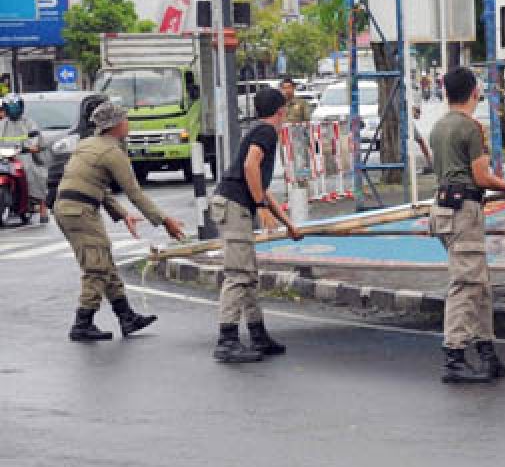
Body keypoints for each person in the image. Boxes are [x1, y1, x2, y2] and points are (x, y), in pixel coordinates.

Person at [429, 66, 505, 383]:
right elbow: (481, 177)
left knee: (479, 282)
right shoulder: (471, 128)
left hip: (443, 209)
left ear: (446, 93)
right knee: (466, 283)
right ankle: (454, 355)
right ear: (475, 92)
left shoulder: (439, 127)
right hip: (464, 211)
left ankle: (486, 350)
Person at [54, 102, 187, 341]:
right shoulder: (112, 152)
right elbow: (136, 193)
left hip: (68, 208)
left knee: (104, 262)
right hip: (81, 211)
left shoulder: (87, 145)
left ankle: (126, 316)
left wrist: (122, 214)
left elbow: (97, 188)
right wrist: (165, 221)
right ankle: (82, 322)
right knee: (96, 267)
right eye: (125, 119)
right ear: (115, 125)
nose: (129, 123)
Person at [211, 87, 304, 363]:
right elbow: (252, 166)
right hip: (234, 205)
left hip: (235, 204)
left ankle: (258, 334)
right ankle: (226, 340)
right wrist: (260, 207)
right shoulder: (266, 132)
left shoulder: (256, 130)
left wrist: (288, 223)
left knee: (249, 274)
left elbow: (262, 186)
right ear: (280, 111)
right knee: (238, 274)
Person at [0, 94, 50, 222]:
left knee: (32, 173)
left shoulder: (29, 123)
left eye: (16, 107)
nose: (13, 110)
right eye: (10, 108)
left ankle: (42, 206)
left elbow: (35, 140)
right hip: (5, 156)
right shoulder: (2, 124)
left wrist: (30, 147)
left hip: (25, 156)